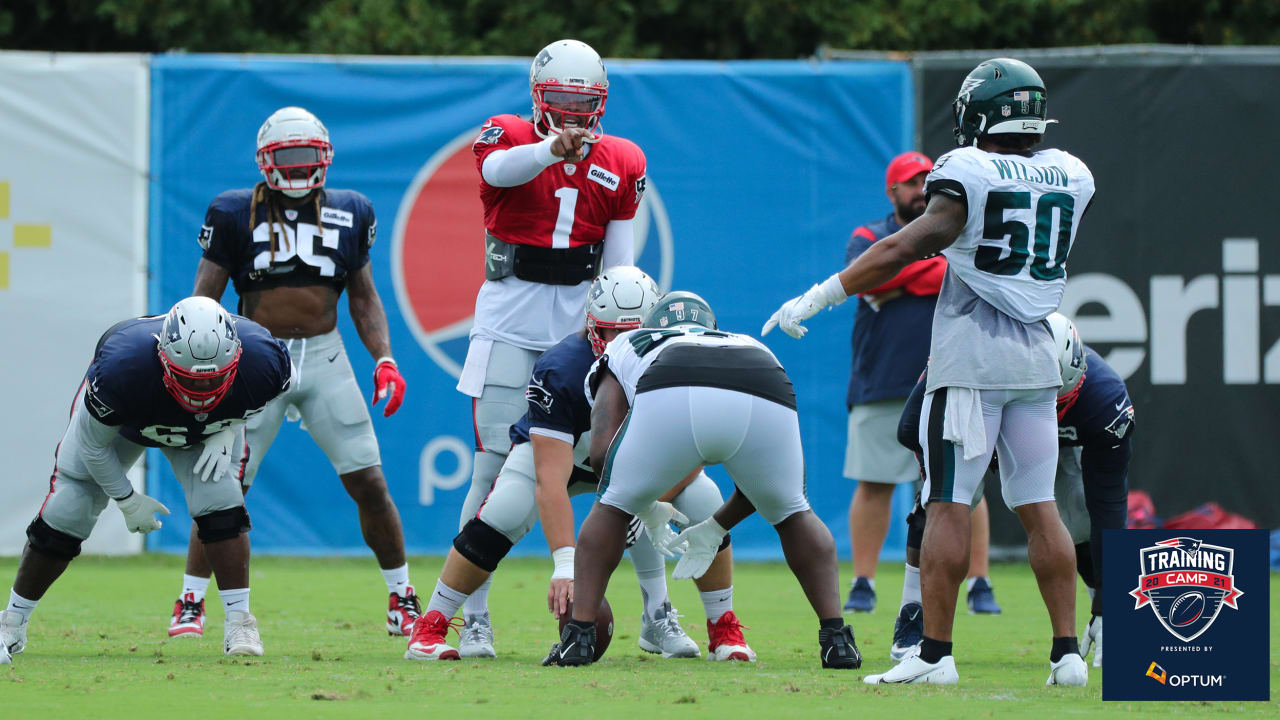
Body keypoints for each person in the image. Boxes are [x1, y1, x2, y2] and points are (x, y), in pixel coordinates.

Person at [763, 58, 1095, 686]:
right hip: (1037, 356)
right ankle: (1067, 654)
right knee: (1038, 505)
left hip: (971, 356)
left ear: (980, 114)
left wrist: (820, 295)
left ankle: (935, 655)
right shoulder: (1072, 174)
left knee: (946, 503)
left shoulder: (967, 169)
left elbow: (906, 244)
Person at [407, 268, 754, 662]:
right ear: (591, 328)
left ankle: (717, 626)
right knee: (505, 510)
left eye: (635, 331)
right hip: (569, 458)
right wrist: (565, 564)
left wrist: (648, 499)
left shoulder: (674, 360)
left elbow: (692, 455)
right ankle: (431, 625)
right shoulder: (563, 368)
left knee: (705, 500)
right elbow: (551, 480)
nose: (621, 343)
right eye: (610, 332)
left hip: (639, 464)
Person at [174, 106, 414, 639]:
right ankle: (190, 601)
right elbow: (205, 297)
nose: (302, 167)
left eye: (309, 155)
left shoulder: (352, 210)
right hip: (254, 359)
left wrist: (385, 359)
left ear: (325, 158)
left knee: (370, 481)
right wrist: (197, 363)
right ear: (266, 161)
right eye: (291, 157)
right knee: (224, 487)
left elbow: (364, 297)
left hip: (326, 357)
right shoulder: (234, 212)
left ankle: (402, 596)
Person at [548, 292, 862, 669]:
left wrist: (636, 503)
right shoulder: (749, 343)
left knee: (611, 505)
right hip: (762, 379)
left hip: (670, 380)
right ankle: (837, 639)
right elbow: (763, 484)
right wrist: (716, 526)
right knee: (795, 512)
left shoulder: (631, 343)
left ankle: (578, 637)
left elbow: (601, 452)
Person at [454, 38, 647, 640]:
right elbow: (495, 170)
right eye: (561, 98)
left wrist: (622, 332)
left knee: (624, 471)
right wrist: (547, 150)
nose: (571, 112)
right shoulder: (508, 135)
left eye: (582, 100)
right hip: (510, 321)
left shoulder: (622, 158)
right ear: (538, 97)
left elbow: (618, 264)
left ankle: (657, 612)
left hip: (578, 333)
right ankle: (473, 616)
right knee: (492, 471)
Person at [1, 298, 292, 664]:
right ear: (163, 357)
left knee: (221, 502)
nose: (201, 395)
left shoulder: (263, 360)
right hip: (125, 426)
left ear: (237, 356)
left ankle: (240, 621)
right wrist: (126, 499)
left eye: (215, 380)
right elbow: (92, 447)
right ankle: (12, 621)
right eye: (189, 379)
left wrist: (228, 429)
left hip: (207, 432)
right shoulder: (124, 367)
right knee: (70, 507)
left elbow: (264, 397)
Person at [889, 313, 1133, 666]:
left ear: (1076, 380)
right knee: (943, 497)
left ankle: (1105, 617)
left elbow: (1109, 505)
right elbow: (910, 428)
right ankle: (913, 610)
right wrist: (976, 462)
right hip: (982, 408)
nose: (1052, 409)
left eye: (1058, 401)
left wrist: (1109, 606)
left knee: (1079, 506)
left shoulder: (1103, 398)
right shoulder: (966, 356)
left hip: (1045, 441)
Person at [836, 152, 1003, 616]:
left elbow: (975, 277)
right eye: (911, 183)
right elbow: (869, 281)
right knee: (875, 483)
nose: (920, 191)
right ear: (892, 192)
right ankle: (863, 583)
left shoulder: (961, 232)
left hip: (954, 376)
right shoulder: (870, 236)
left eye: (927, 182)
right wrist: (927, 268)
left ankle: (980, 582)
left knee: (966, 488)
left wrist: (901, 271)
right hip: (883, 379)